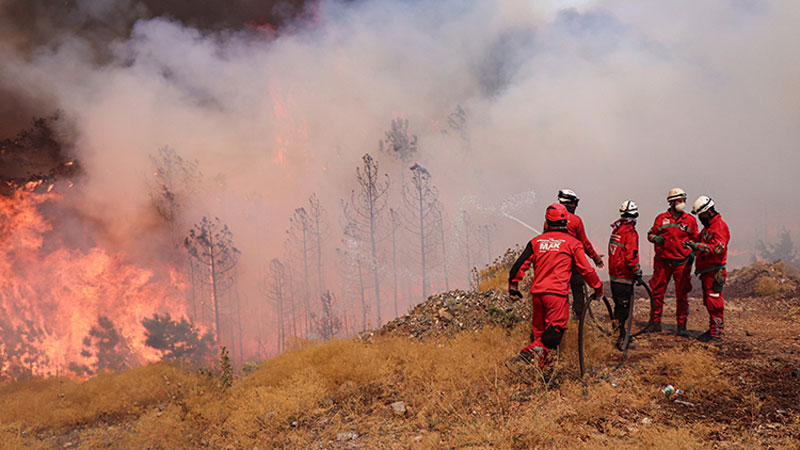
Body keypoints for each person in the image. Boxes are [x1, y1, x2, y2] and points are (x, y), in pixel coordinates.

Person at [508, 203, 603, 367]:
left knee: (540, 334)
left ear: (546, 222)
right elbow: (586, 270)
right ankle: (526, 354)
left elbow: (518, 265)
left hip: (537, 295)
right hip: (556, 295)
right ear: (565, 222)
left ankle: (543, 371)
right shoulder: (572, 243)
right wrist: (598, 288)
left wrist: (513, 287)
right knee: (554, 335)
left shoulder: (536, 242)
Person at [646, 188, 699, 336]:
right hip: (662, 262)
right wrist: (655, 238)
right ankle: (655, 322)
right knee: (657, 292)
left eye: (684, 201)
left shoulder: (690, 220)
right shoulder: (661, 218)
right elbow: (650, 234)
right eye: (679, 201)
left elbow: (696, 240)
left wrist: (692, 253)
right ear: (671, 202)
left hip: (682, 263)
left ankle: (681, 326)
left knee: (682, 295)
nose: (682, 204)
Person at [685, 196, 730, 342]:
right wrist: (691, 242)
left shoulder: (720, 227)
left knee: (714, 302)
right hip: (706, 272)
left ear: (709, 212)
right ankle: (712, 330)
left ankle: (716, 334)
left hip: (715, 271)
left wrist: (700, 247)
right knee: (709, 301)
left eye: (701, 215)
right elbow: (699, 239)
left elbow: (718, 249)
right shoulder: (708, 228)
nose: (700, 218)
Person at [557, 189, 604, 317]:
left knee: (559, 293)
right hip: (572, 263)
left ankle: (561, 318)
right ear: (571, 204)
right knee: (578, 292)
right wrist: (595, 258)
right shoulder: (575, 220)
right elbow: (584, 242)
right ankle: (578, 320)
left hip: (555, 264)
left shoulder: (549, 220)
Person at [608, 200, 642, 350]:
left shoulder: (616, 230)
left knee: (618, 307)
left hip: (614, 275)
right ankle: (620, 339)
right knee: (623, 310)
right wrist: (637, 272)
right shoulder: (630, 233)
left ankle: (618, 334)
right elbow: (631, 257)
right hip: (624, 277)